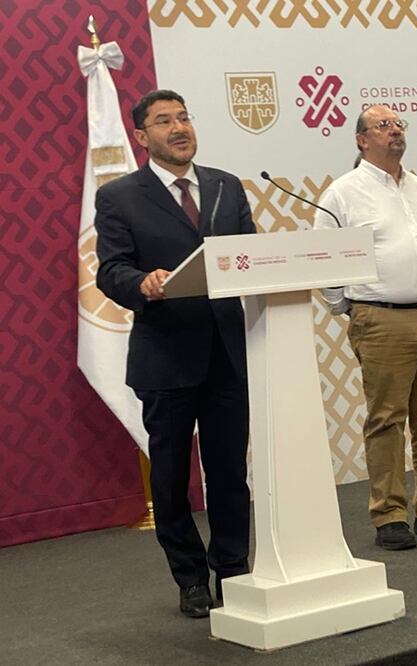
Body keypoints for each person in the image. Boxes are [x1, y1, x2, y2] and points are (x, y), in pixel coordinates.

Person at [95, 90, 253, 618]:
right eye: (164, 121)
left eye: (184, 117)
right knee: (169, 475)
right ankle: (189, 577)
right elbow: (110, 270)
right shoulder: (121, 196)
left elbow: (248, 255)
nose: (178, 128)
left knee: (229, 469)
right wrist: (145, 282)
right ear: (142, 136)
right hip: (166, 356)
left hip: (229, 352)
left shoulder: (226, 187)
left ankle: (232, 569)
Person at [315, 105, 417, 550]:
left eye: (399, 125)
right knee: (386, 418)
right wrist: (349, 308)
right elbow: (325, 257)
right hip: (380, 316)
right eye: (383, 126)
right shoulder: (342, 193)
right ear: (361, 140)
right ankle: (389, 514)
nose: (395, 132)